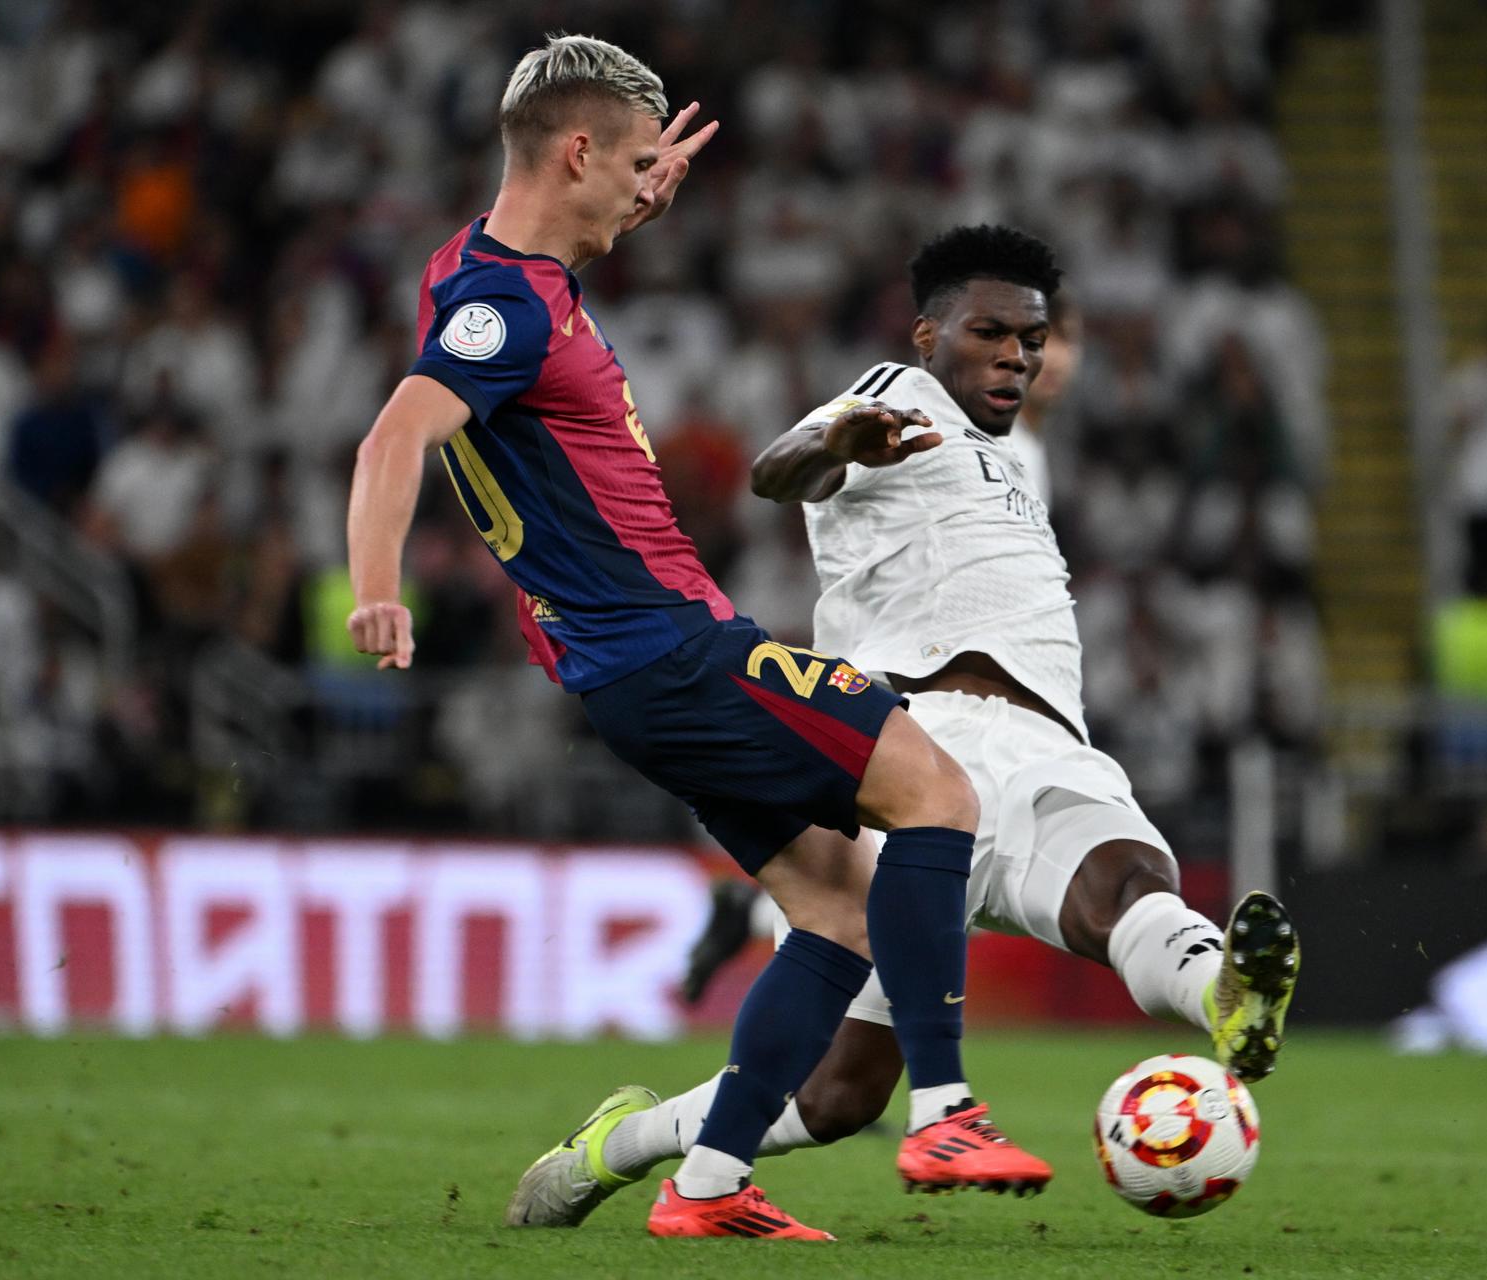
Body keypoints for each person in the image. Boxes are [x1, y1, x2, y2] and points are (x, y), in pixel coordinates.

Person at [343, 35, 1042, 1242]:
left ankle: (707, 1185)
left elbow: (522, 292)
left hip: (634, 666)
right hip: (669, 647)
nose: (647, 186)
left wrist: (617, 208)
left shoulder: (485, 270)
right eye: (627, 164)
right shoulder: (500, 306)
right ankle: (945, 1108)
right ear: (574, 152)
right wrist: (375, 586)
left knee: (834, 907)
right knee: (938, 789)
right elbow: (392, 438)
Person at [615, 225, 1300, 1190]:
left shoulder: (1021, 462)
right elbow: (781, 471)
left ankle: (1224, 993)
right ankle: (628, 1142)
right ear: (928, 336)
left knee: (1132, 881)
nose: (1017, 355)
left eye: (1032, 337)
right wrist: (831, 438)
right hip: (911, 751)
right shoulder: (897, 397)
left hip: (1046, 742)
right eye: (991, 333)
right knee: (836, 1098)